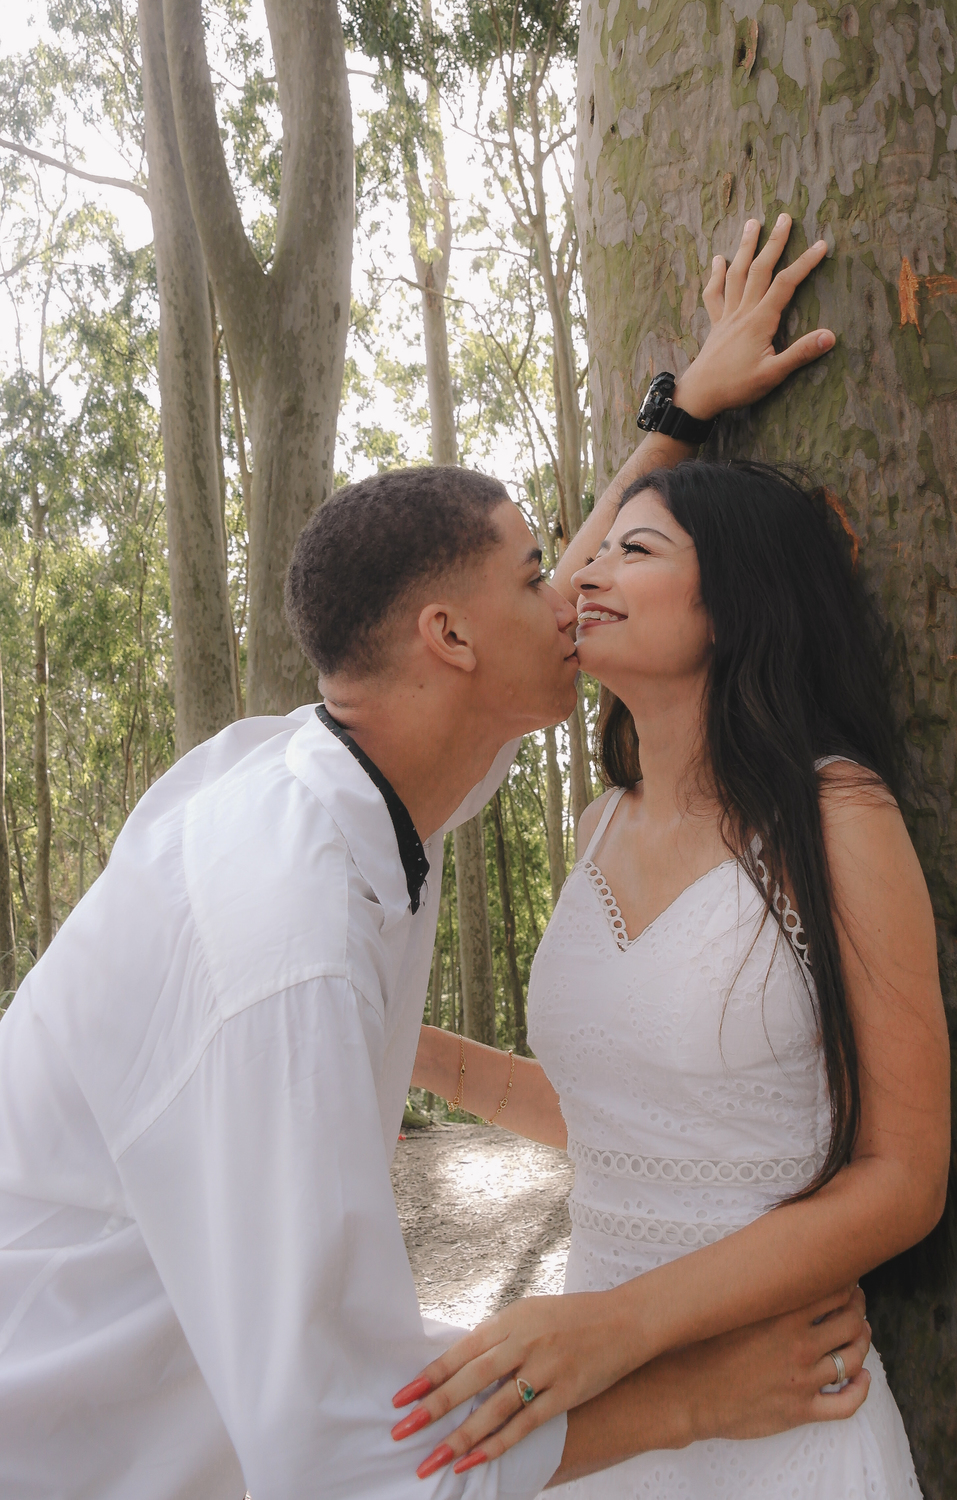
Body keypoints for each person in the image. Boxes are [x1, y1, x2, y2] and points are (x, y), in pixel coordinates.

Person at [0, 217, 870, 1500]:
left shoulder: (335, 772)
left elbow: (519, 610)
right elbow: (336, 1456)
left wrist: (678, 412)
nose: (576, 596)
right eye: (543, 581)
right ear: (452, 639)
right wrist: (685, 1399)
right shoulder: (285, 935)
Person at [401, 462, 951, 1492]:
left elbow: (904, 1178)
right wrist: (412, 1051)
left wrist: (617, 1327)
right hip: (600, 1409)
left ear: (737, 599)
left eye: (634, 550)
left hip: (781, 1400)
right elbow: (612, 1112)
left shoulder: (837, 817)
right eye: (588, 551)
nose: (586, 574)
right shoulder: (598, 822)